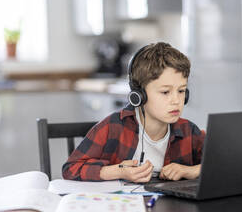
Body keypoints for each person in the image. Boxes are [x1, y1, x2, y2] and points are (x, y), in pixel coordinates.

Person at [62, 42, 205, 182]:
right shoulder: (114, 126)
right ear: (139, 95)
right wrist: (117, 171)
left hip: (170, 205)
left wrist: (192, 171)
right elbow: (71, 168)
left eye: (181, 91)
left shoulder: (189, 131)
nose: (176, 100)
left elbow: (223, 163)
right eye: (165, 92)